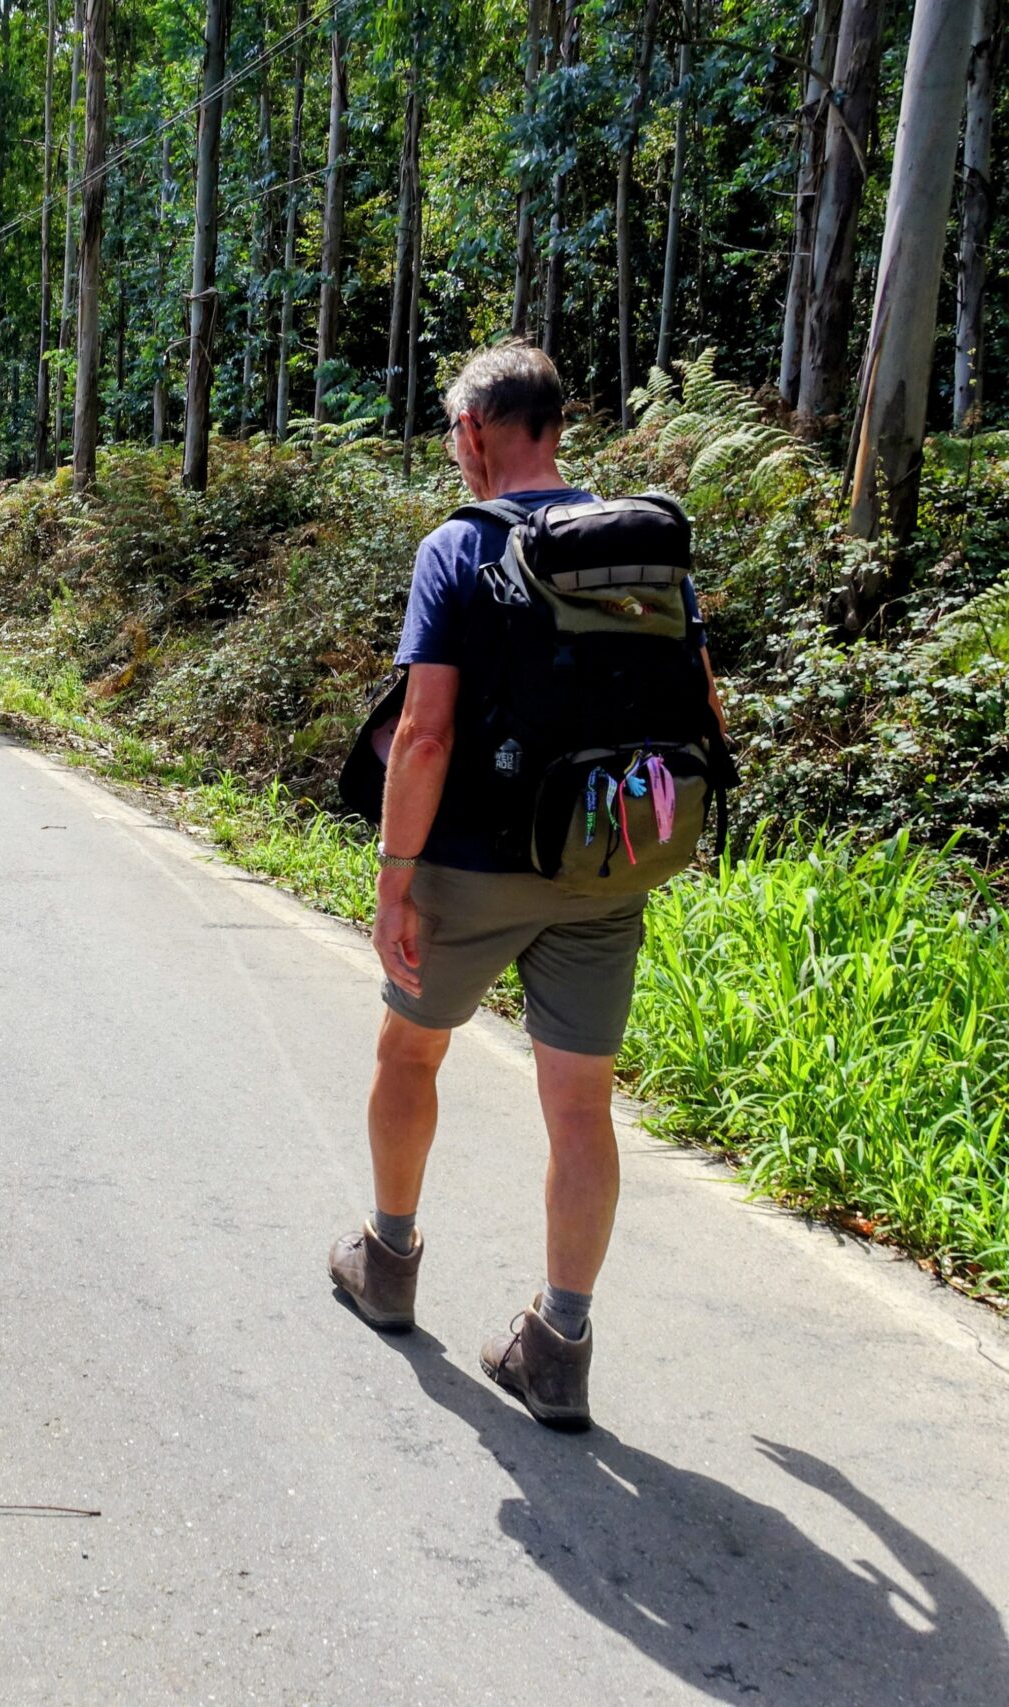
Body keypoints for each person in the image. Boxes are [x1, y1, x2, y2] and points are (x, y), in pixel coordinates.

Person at [325, 345, 727, 1431]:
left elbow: (424, 734)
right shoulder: (642, 547)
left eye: (453, 432)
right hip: (605, 864)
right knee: (581, 1106)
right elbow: (701, 703)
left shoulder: (459, 547)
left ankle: (388, 1262)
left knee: (409, 1052)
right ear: (554, 426)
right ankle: (558, 1345)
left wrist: (393, 879)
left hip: (471, 866)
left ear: (474, 431)